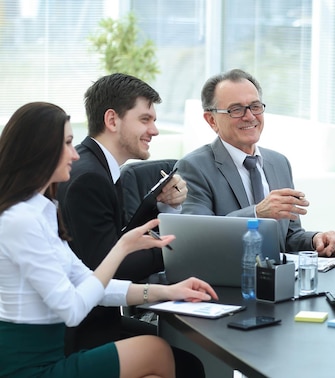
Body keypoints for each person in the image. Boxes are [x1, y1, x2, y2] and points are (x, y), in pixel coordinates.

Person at [0, 102, 219, 377]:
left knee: (155, 363)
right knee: (155, 350)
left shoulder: (41, 211)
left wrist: (169, 292)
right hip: (30, 367)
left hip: (49, 355)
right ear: (39, 150)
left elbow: (88, 281)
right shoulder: (20, 220)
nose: (74, 154)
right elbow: (72, 308)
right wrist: (123, 246)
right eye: (67, 143)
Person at [56, 73, 187, 352]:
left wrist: (158, 203)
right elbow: (109, 265)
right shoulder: (89, 178)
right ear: (112, 120)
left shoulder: (95, 167)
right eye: (145, 119)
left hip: (93, 318)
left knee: (174, 345)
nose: (154, 130)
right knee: (184, 361)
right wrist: (178, 248)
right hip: (79, 331)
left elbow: (113, 240)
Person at [175, 68, 335, 256]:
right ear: (211, 120)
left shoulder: (278, 163)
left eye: (255, 106)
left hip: (276, 277)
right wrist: (257, 214)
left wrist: (314, 240)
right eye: (236, 110)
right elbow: (198, 238)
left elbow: (287, 238)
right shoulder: (193, 168)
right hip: (226, 279)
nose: (250, 116)